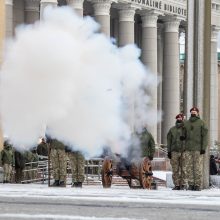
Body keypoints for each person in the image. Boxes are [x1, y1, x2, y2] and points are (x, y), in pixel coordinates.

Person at [184, 107, 208, 191]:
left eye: (194, 111)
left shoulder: (201, 123)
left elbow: (204, 137)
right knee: (188, 167)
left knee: (197, 167)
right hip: (188, 148)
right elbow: (184, 135)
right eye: (192, 111)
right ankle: (191, 184)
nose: (193, 113)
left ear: (197, 113)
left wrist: (203, 147)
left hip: (198, 148)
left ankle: (197, 185)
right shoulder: (186, 123)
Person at [167, 113, 187, 190]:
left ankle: (183, 184)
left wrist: (185, 138)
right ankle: (177, 185)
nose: (179, 119)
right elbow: (169, 141)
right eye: (178, 118)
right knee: (175, 169)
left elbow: (190, 139)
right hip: (174, 152)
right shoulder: (172, 129)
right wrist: (169, 152)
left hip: (183, 151)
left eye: (180, 118)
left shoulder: (186, 129)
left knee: (183, 169)